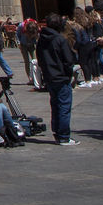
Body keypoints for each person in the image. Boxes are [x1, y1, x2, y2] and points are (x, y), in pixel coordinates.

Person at [34, 12, 78, 146]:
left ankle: (57, 133)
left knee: (55, 105)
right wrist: (68, 73)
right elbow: (68, 60)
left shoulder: (42, 39)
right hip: (61, 77)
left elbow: (40, 59)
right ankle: (64, 136)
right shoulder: (60, 39)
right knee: (64, 106)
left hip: (49, 77)